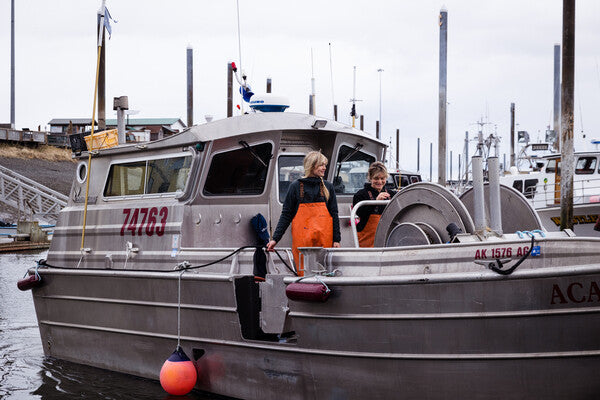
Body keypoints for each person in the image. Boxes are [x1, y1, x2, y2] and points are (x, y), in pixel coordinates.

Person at [266, 151, 341, 275]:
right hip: (302, 242)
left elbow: (334, 215)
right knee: (304, 274)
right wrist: (275, 239)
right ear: (311, 166)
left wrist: (336, 240)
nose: (324, 168)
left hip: (325, 241)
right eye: (321, 165)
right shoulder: (295, 187)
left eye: (325, 165)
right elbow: (286, 215)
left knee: (325, 274)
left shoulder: (328, 187)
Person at [352, 162, 397, 247]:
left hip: (387, 240)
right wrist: (376, 201)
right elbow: (360, 213)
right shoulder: (360, 195)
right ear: (370, 178)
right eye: (376, 178)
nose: (379, 181)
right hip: (367, 241)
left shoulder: (392, 194)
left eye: (382, 178)